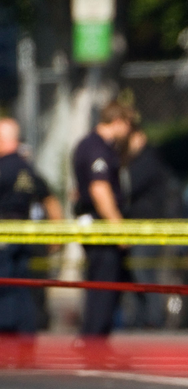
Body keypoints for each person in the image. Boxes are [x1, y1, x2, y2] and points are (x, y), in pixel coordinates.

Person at [0, 118, 63, 367]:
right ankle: (26, 345)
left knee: (4, 288)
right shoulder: (28, 169)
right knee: (23, 289)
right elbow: (50, 200)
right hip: (26, 233)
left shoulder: (3, 168)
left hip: (4, 235)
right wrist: (57, 234)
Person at [72, 101, 134, 349]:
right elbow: (100, 191)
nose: (130, 131)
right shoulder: (97, 148)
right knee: (104, 285)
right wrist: (118, 229)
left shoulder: (91, 145)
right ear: (117, 121)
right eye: (128, 124)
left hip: (94, 223)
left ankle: (94, 339)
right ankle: (94, 342)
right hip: (102, 226)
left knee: (102, 283)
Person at [122, 125, 181, 329]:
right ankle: (142, 317)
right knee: (139, 274)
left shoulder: (147, 161)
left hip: (149, 227)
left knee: (144, 273)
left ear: (140, 137)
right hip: (144, 225)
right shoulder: (147, 160)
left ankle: (153, 319)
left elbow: (128, 186)